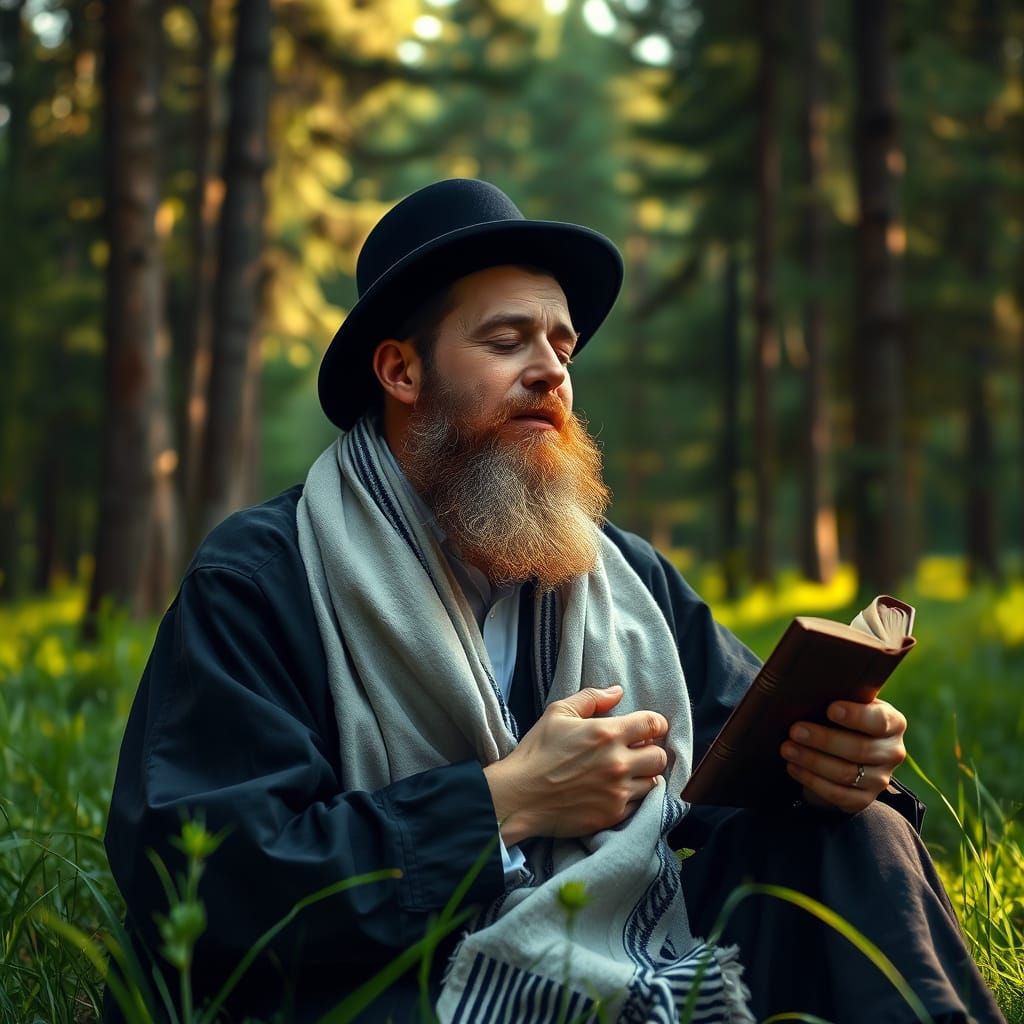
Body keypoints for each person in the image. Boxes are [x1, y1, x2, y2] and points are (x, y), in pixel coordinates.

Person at [105, 179, 1004, 1024]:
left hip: (634, 952)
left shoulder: (625, 576)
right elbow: (206, 882)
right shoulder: (266, 578)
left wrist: (840, 763)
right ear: (400, 371)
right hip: (409, 984)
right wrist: (503, 804)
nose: (552, 373)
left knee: (850, 837)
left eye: (562, 347)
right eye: (507, 343)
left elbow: (743, 773)